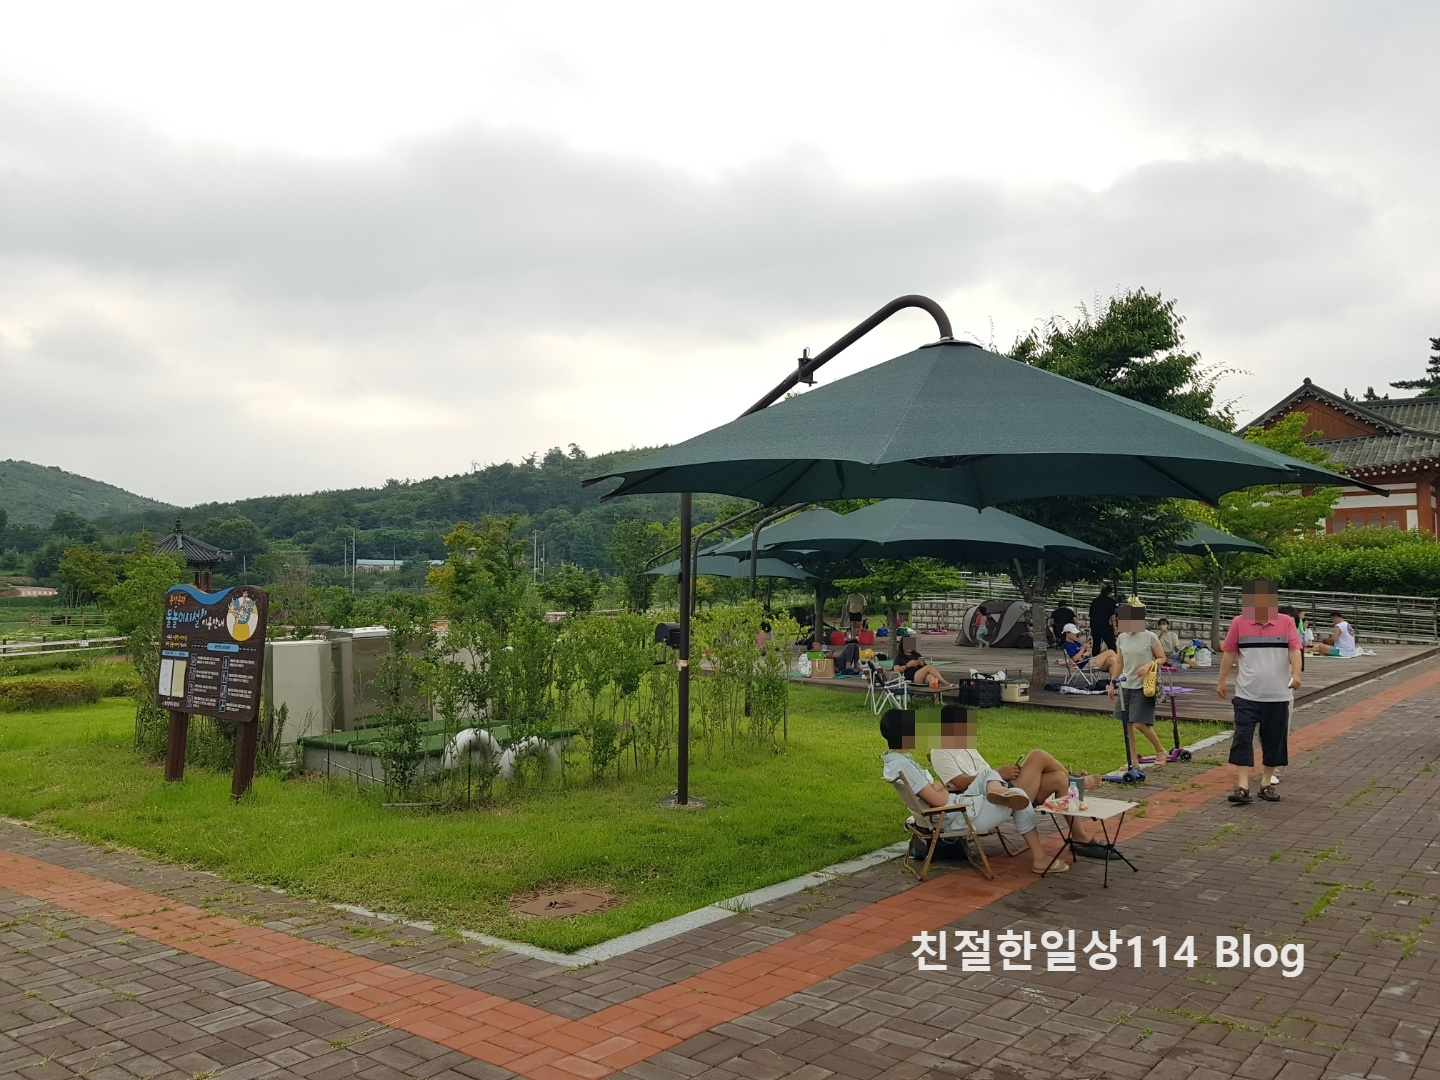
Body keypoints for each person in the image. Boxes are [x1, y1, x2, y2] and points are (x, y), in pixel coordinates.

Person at [880, 708, 1067, 876]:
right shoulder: (907, 766)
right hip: (953, 814)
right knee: (1019, 796)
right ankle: (1040, 859)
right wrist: (939, 788)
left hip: (952, 806)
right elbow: (938, 800)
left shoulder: (895, 762)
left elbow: (933, 791)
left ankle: (998, 790)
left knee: (988, 774)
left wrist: (937, 787)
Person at [928, 705, 1120, 859]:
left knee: (1058, 779)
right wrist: (999, 773)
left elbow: (985, 772)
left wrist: (1007, 772)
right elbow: (961, 784)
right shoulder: (940, 751)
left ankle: (1079, 835)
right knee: (1038, 755)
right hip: (989, 800)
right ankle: (1077, 781)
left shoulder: (967, 746)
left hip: (1000, 787)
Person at [1217, 579, 1302, 804]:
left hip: (1278, 694)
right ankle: (1242, 786)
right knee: (1242, 737)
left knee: (1274, 739)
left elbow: (1295, 649)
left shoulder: (1286, 622)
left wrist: (1297, 675)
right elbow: (1229, 652)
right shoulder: (1239, 622)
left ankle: (1266, 783)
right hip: (1247, 693)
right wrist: (1221, 680)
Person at [1111, 600, 1168, 768]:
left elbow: (1162, 658)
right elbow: (1119, 662)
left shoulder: (1149, 636)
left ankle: (1160, 751)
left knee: (1140, 724)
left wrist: (1149, 664)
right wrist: (1113, 683)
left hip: (1144, 685)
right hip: (1126, 685)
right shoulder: (1122, 638)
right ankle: (1133, 761)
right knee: (1127, 725)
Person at [1089, 585, 1118, 653]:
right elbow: (1112, 615)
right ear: (1110, 593)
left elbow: (1091, 615)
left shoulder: (1095, 601)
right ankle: (1113, 657)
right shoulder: (1110, 601)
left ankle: (1095, 658)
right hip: (1105, 625)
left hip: (1094, 624)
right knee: (1111, 644)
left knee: (1096, 644)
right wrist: (1115, 627)